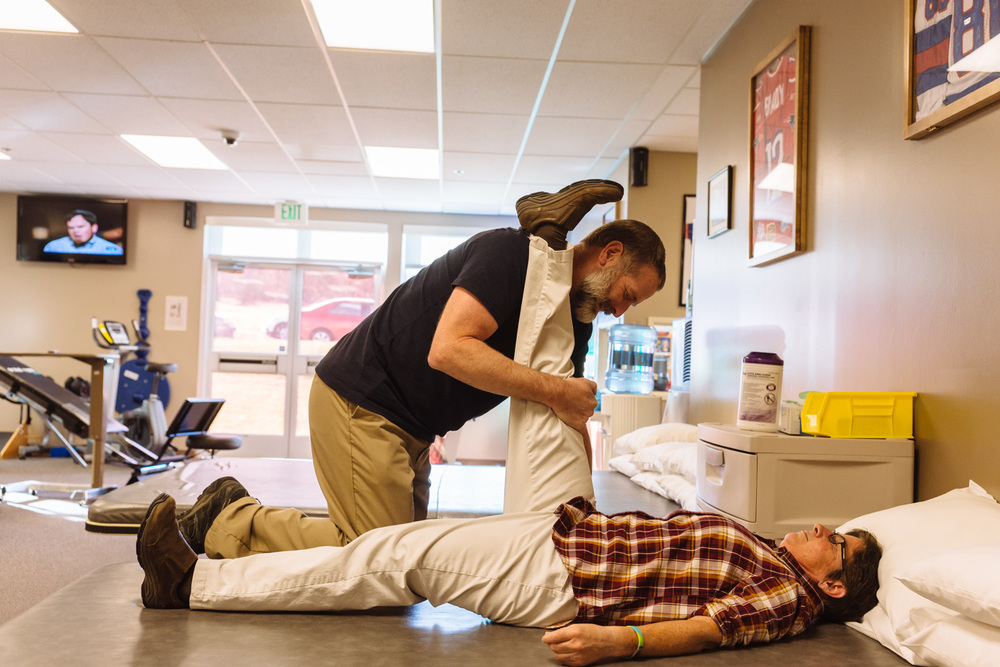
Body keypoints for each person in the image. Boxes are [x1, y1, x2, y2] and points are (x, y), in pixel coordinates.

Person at [203, 179, 668, 555]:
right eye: (627, 293)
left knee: (404, 561)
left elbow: (570, 409)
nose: (620, 311)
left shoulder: (574, 317)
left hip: (415, 427)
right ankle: (229, 519)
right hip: (364, 401)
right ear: (609, 254)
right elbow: (448, 350)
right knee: (376, 557)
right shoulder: (507, 254)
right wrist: (555, 390)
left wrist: (584, 511)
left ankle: (549, 224)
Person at [43, 209, 124, 255]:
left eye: (80, 227)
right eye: (71, 228)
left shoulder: (112, 250)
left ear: (94, 228)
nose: (75, 231)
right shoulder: (53, 247)